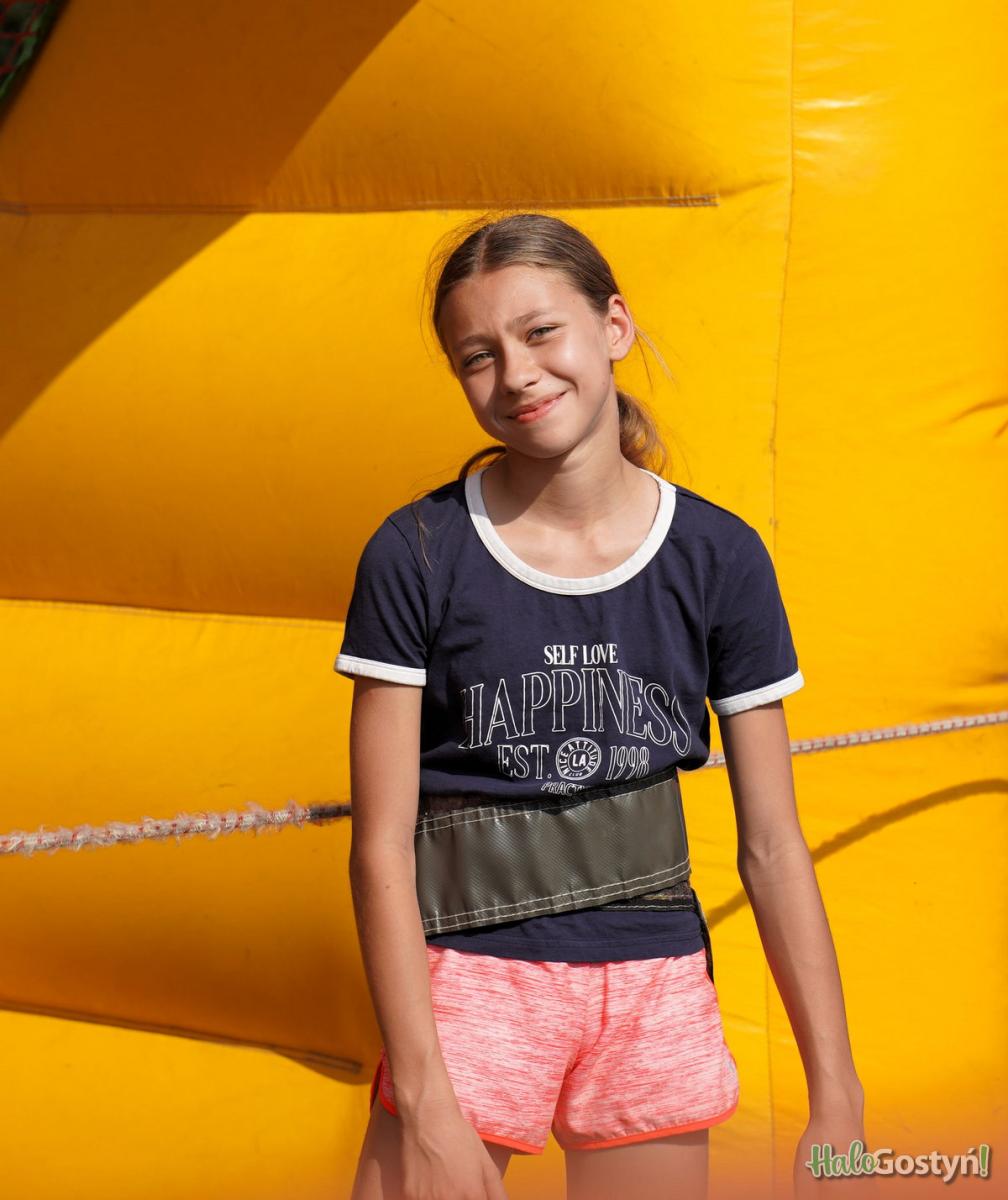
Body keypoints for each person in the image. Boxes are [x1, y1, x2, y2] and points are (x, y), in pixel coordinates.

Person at [338, 211, 866, 1200]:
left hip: (655, 990)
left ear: (613, 326)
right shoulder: (418, 555)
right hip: (468, 989)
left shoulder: (719, 557)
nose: (517, 374)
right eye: (478, 356)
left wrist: (837, 1099)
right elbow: (379, 851)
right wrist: (430, 1100)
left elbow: (773, 847)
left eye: (542, 332)